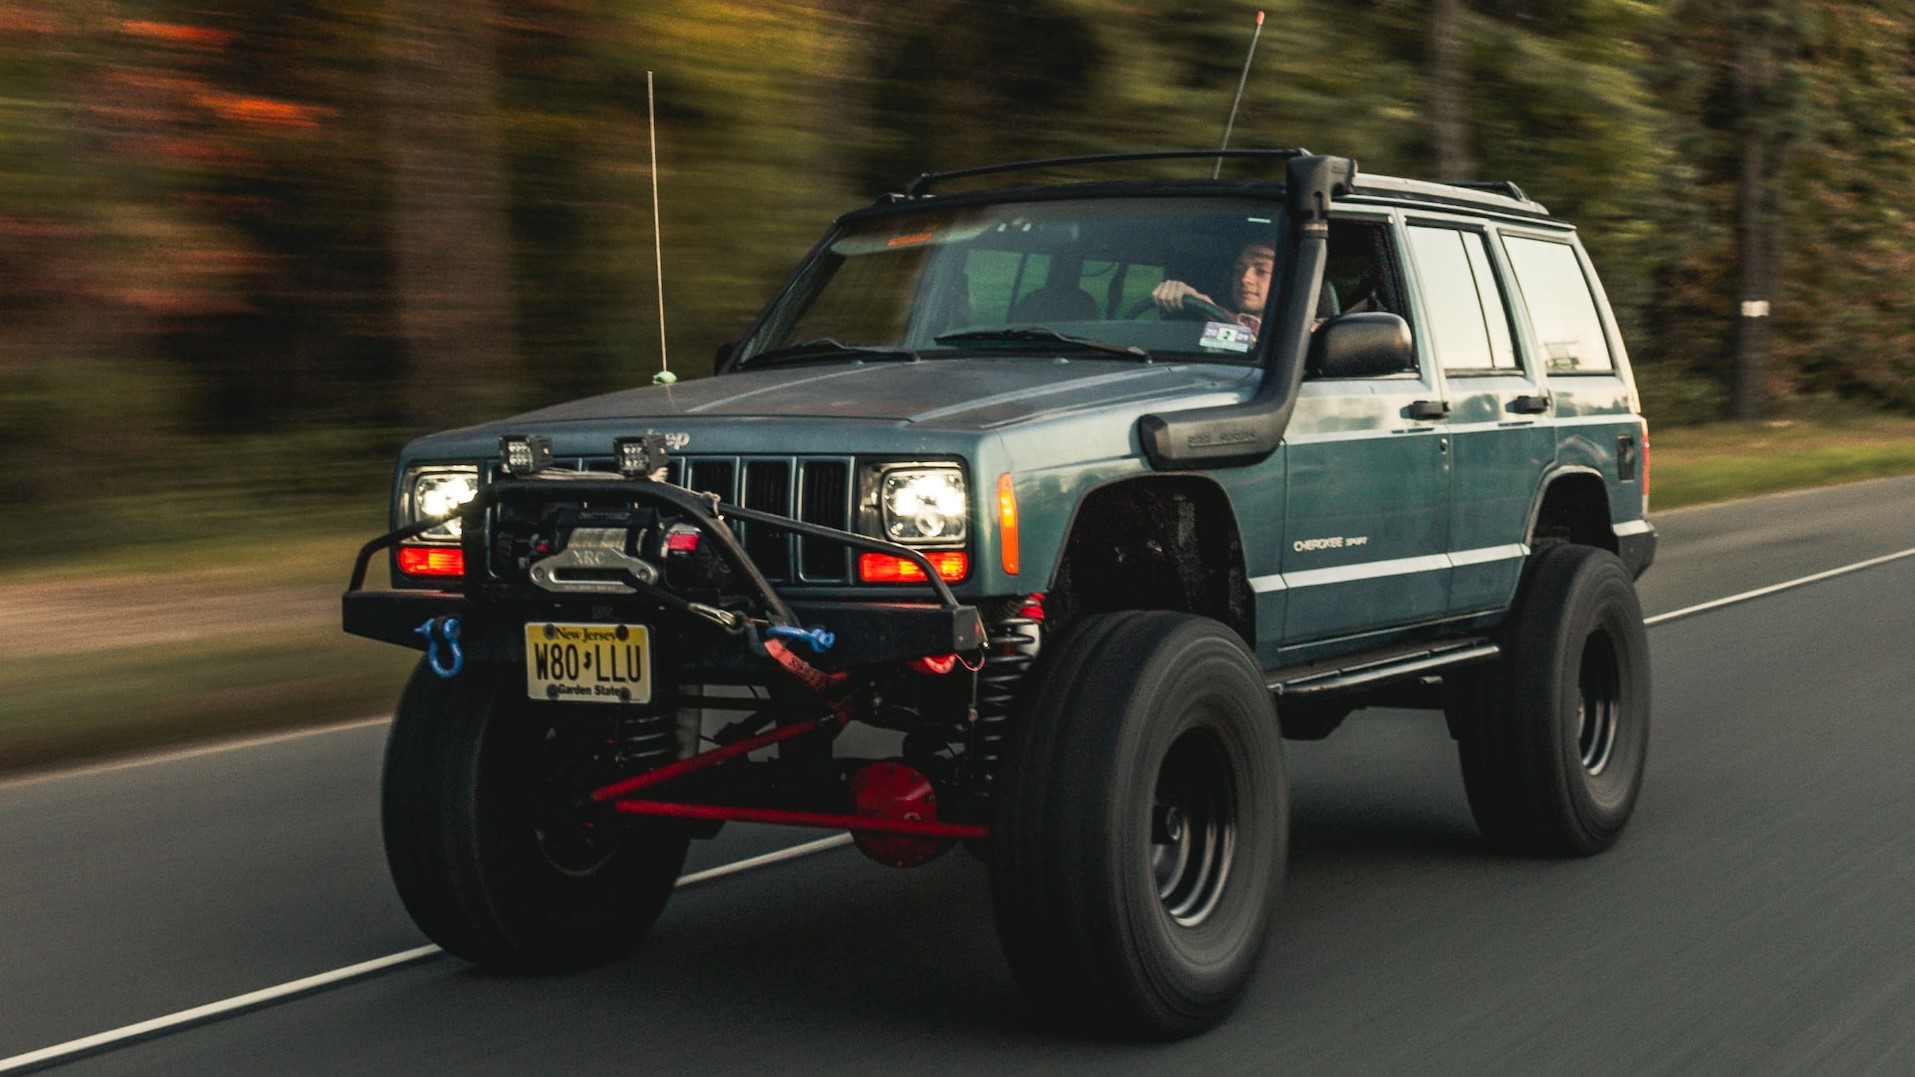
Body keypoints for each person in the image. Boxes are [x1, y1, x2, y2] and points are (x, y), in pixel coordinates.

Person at [1149, 241, 1274, 334]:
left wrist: (1214, 313)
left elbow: (1253, 347)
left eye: (1261, 271)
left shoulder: (1289, 333)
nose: (1244, 279)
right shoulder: (1201, 325)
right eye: (1238, 271)